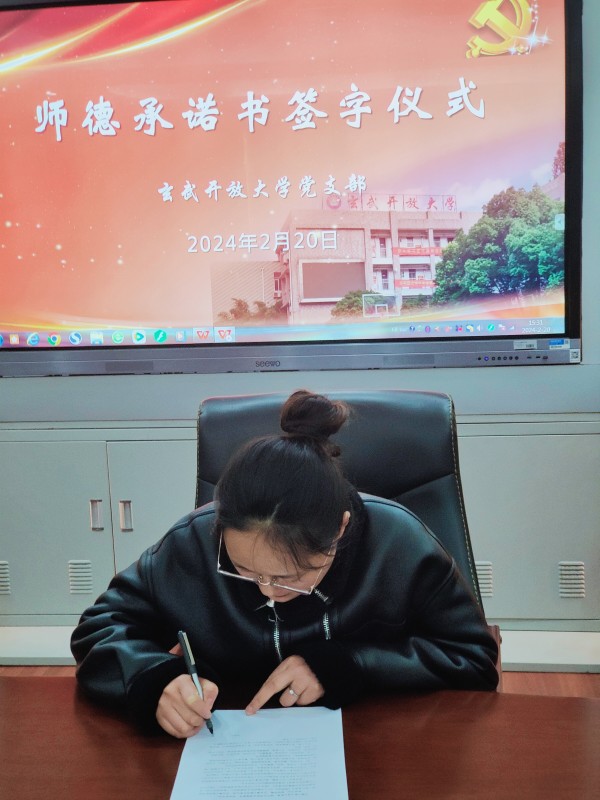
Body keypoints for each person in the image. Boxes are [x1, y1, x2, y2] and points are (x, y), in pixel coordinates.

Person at [71, 389, 498, 738]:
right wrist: (155, 678)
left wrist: (350, 664)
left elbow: (472, 656)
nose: (267, 591)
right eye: (244, 570)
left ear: (340, 529)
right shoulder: (192, 542)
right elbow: (99, 630)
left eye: (291, 577)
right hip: (223, 742)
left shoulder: (397, 542)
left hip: (377, 745)